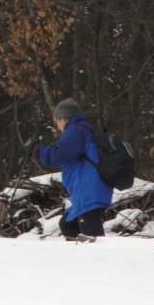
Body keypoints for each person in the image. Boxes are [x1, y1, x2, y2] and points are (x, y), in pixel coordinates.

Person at [29, 98, 113, 239]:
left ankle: (95, 253)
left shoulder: (75, 130)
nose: (58, 127)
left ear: (65, 119)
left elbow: (59, 155)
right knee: (67, 224)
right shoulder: (85, 129)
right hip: (91, 189)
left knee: (92, 236)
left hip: (88, 190)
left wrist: (37, 150)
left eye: (57, 122)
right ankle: (77, 252)